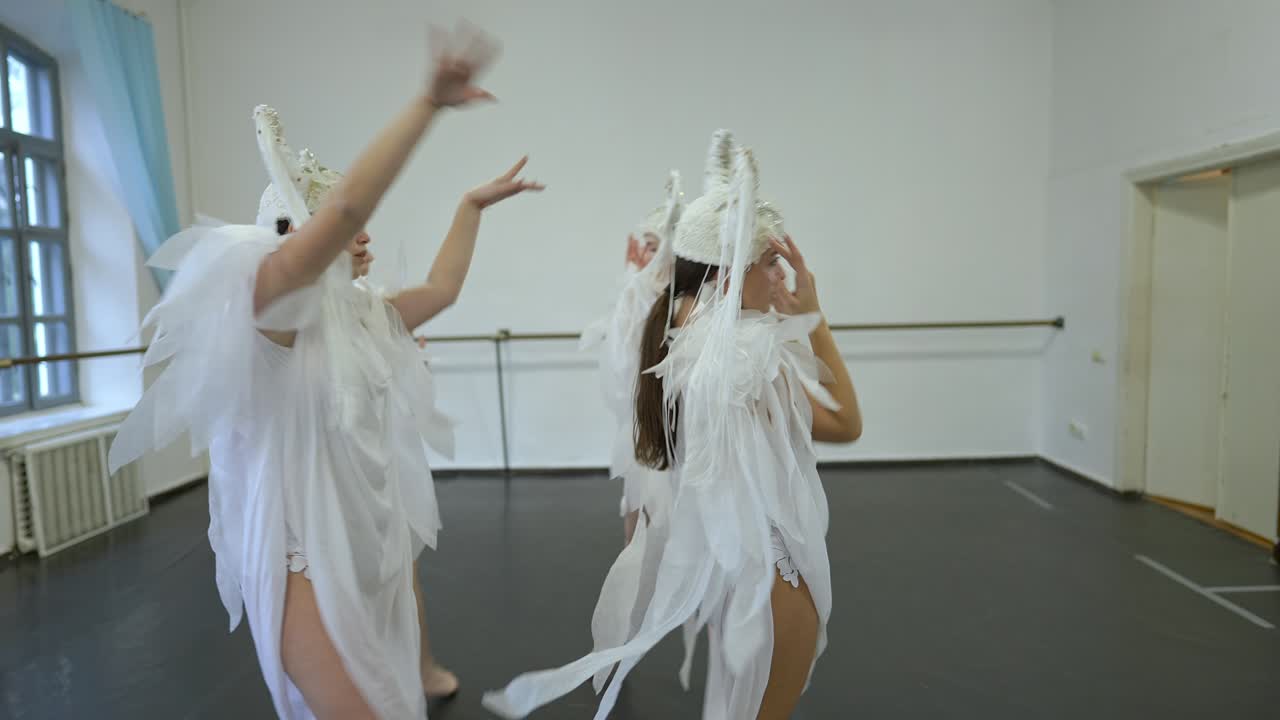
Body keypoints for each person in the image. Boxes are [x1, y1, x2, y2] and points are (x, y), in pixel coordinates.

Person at [109, 25, 543, 719]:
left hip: (365, 541)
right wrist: (426, 105)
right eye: (338, 228)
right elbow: (345, 212)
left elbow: (443, 288)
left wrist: (469, 206)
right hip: (300, 562)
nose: (361, 232)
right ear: (300, 237)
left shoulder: (359, 313)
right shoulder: (272, 310)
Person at [482, 130, 861, 719]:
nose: (781, 277)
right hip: (772, 576)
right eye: (772, 263)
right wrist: (814, 317)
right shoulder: (748, 367)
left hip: (733, 566)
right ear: (731, 276)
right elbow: (847, 424)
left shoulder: (675, 331)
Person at [580, 173, 684, 544]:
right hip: (644, 430)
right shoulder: (639, 300)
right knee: (638, 513)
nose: (646, 258)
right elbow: (623, 368)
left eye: (655, 247)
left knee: (666, 520)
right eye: (646, 247)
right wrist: (633, 288)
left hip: (675, 435)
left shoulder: (686, 306)